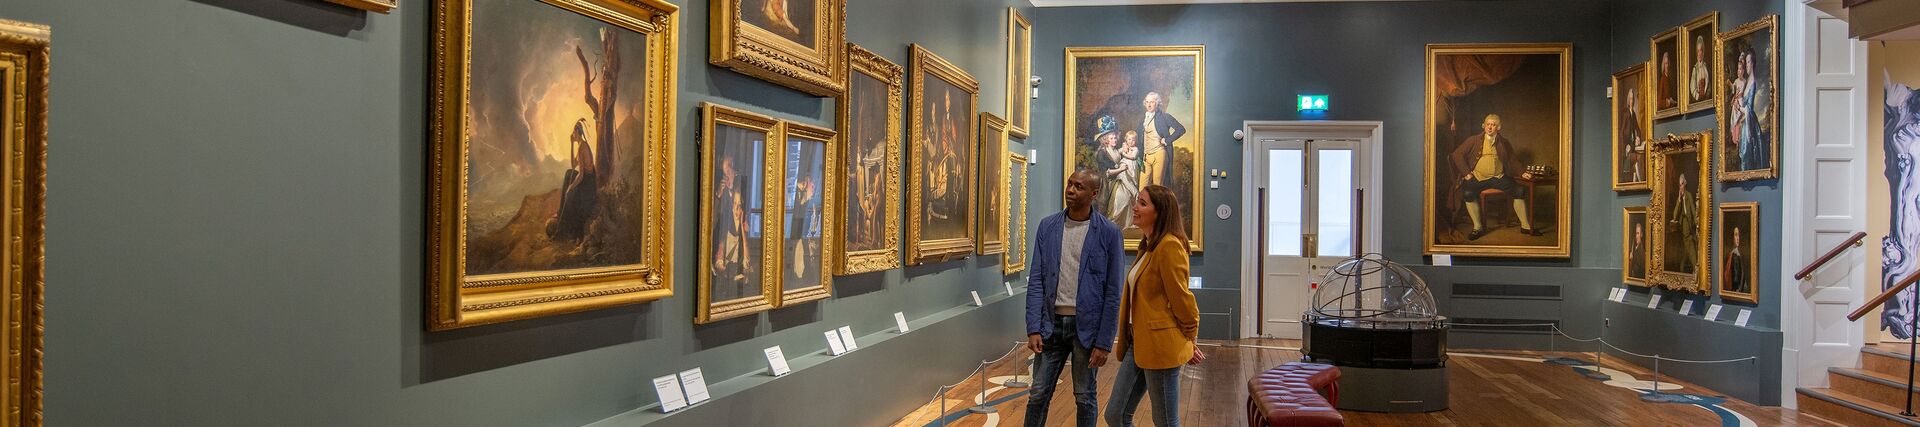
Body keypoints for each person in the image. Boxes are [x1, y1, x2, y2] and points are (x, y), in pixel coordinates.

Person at [1024, 170, 1125, 427]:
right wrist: (1033, 327)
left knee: (1085, 397)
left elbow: (1113, 293)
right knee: (1037, 394)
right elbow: (1036, 279)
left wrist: (1104, 342)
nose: (1070, 190)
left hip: (1087, 330)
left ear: (1093, 193)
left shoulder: (1109, 233)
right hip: (1050, 326)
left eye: (1078, 186)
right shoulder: (1048, 227)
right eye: (1070, 183)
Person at [1104, 184, 1202, 427]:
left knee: (1166, 421)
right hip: (1137, 343)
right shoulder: (1148, 246)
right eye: (1137, 201)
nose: (1135, 207)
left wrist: (1190, 339)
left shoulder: (1169, 246)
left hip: (1160, 346)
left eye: (1142, 203)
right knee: (1115, 415)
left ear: (1160, 212)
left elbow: (1182, 299)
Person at [1448, 114, 1543, 240]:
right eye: (1488, 124)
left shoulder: (1504, 142)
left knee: (1519, 190)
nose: (1490, 127)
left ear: (1499, 127)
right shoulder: (1474, 140)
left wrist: (1522, 172)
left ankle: (1525, 226)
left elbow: (1512, 160)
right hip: (1477, 177)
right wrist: (1466, 173)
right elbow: (1457, 155)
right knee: (1468, 193)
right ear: (1483, 126)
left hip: (1498, 178)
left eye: (1493, 125)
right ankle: (1478, 228)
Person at [1138, 92, 1187, 186]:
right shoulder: (1144, 119)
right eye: (1147, 102)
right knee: (1142, 189)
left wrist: (1167, 140)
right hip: (1146, 156)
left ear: (1157, 103)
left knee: (1157, 187)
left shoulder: (1165, 117)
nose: (1149, 104)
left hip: (1159, 154)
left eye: (1152, 102)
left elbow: (1181, 129)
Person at [1107, 131, 1143, 229]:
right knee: (1124, 179)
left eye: (1133, 139)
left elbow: (1133, 157)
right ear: (1126, 140)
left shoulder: (1135, 149)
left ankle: (1132, 220)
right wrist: (1122, 150)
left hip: (1132, 169)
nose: (1131, 141)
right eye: (1129, 139)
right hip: (1124, 169)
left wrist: (1124, 153)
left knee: (1132, 185)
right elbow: (1117, 152)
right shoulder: (1123, 147)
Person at [1669, 173, 1698, 272]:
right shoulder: (1680, 199)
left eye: (1682, 184)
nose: (1680, 187)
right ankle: (1694, 268)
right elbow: (1675, 215)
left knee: (1686, 253)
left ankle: (1689, 269)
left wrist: (1696, 223)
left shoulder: (1689, 195)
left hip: (1689, 225)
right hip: (1683, 227)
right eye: (1679, 185)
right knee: (1689, 250)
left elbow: (1693, 211)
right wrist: (1679, 199)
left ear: (1685, 184)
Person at [1724, 226, 1749, 294]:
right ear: (1731, 237)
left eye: (1739, 235)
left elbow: (1739, 280)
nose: (1738, 238)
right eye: (1736, 235)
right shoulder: (1732, 255)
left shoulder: (1737, 256)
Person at [1691, 35, 1711, 102]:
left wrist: (1707, 96)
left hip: (1706, 98)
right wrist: (1698, 96)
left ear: (1703, 52)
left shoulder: (1705, 67)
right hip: (1698, 99)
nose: (1700, 53)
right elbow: (1692, 87)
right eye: (1698, 51)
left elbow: (1708, 84)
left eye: (1701, 50)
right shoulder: (1695, 69)